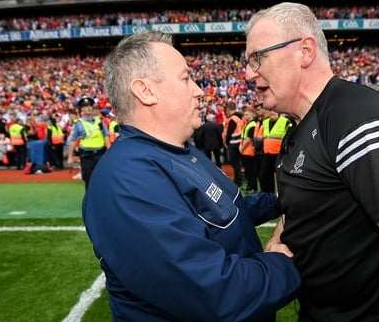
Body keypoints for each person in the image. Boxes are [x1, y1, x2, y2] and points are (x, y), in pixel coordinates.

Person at [245, 2, 379, 322]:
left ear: (305, 51)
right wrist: (277, 241)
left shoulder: (358, 116)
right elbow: (298, 208)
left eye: (258, 57)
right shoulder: (299, 127)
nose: (248, 73)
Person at [82, 30, 300, 321]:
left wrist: (281, 201)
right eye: (186, 79)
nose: (199, 90)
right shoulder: (126, 178)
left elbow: (225, 210)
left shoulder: (180, 151)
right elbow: (215, 292)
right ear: (145, 91)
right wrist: (284, 262)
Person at [66, 96, 110, 190]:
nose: (89, 108)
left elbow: (106, 136)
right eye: (85, 106)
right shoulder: (78, 123)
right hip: (87, 156)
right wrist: (70, 157)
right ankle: (90, 203)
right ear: (82, 109)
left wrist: (109, 151)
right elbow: (73, 141)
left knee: (103, 180)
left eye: (90, 105)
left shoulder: (99, 121)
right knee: (89, 182)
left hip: (100, 154)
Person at [259, 109, 292, 193]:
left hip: (279, 155)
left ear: (279, 112)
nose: (272, 112)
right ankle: (268, 197)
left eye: (274, 111)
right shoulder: (265, 122)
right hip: (267, 154)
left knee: (281, 178)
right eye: (270, 111)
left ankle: (283, 197)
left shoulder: (286, 122)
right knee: (264, 175)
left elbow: (289, 137)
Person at [222, 100, 244, 187]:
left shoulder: (232, 119)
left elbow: (229, 133)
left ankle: (238, 180)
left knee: (234, 163)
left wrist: (226, 142)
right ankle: (239, 179)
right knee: (238, 163)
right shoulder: (240, 117)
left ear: (228, 109)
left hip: (234, 143)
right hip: (239, 142)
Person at [240, 106, 258, 193]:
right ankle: (249, 186)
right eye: (244, 115)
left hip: (249, 151)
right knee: (248, 170)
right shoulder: (248, 124)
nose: (245, 116)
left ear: (252, 114)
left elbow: (249, 138)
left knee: (251, 171)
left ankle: (253, 187)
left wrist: (242, 147)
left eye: (246, 114)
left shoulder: (252, 124)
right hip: (246, 151)